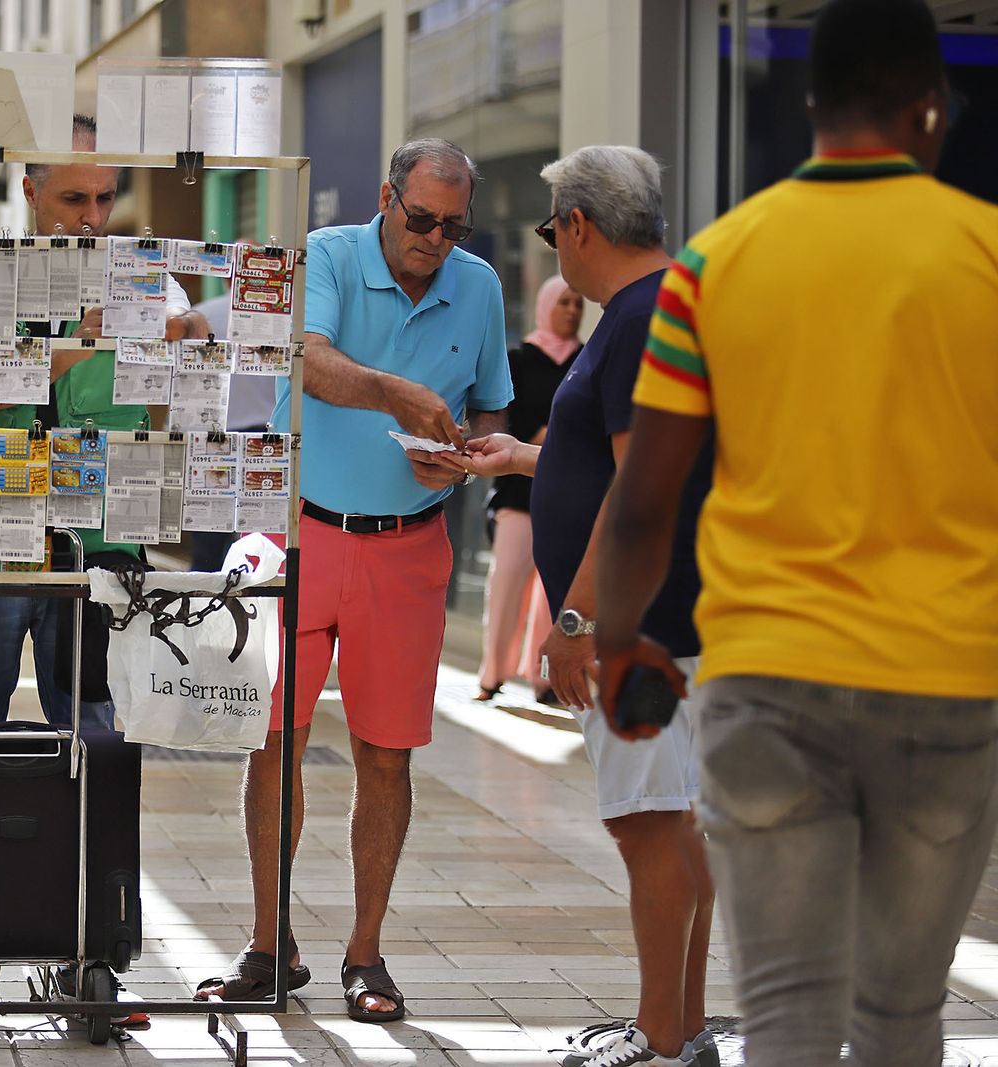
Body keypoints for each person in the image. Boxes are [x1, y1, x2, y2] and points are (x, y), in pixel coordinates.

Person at [591, 3, 998, 1064]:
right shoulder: (985, 252)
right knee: (902, 1016)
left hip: (768, 682)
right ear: (932, 109)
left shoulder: (714, 263)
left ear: (808, 105)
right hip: (946, 685)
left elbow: (645, 494)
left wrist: (617, 641)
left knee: (787, 1020)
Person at [196, 139, 510, 1024]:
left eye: (454, 225)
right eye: (421, 219)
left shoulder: (477, 284)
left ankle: (366, 954)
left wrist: (468, 457)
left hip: (410, 547)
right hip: (301, 537)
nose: (436, 239)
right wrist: (398, 395)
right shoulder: (329, 254)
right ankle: (269, 943)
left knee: (386, 754)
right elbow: (311, 360)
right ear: (387, 198)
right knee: (277, 743)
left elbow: (493, 401)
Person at [462, 146, 717, 1067]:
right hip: (659, 615)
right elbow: (612, 460)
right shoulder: (657, 306)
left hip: (635, 624)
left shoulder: (642, 316)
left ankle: (658, 1037)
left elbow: (640, 483)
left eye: (550, 230)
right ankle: (682, 1027)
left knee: (649, 822)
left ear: (577, 225)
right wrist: (525, 457)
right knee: (672, 818)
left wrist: (574, 622)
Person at [0, 114, 207, 732]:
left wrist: (186, 353)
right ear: (29, 190)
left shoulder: (143, 276)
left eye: (105, 197)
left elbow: (171, 397)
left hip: (99, 540)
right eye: (73, 198)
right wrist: (77, 345)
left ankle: (86, 833)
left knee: (94, 728)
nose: (92, 216)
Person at [476, 277, 582, 701]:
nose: (572, 310)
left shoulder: (587, 359)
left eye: (577, 303)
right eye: (564, 302)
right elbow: (499, 417)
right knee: (507, 583)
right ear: (545, 306)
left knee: (554, 591)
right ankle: (492, 674)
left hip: (567, 495)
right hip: (519, 494)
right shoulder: (519, 359)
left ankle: (545, 679)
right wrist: (533, 435)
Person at [185, 291, 278, 572]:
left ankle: (203, 611)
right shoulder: (278, 319)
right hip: (267, 439)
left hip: (213, 438)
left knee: (208, 544)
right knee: (262, 539)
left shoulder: (201, 315)